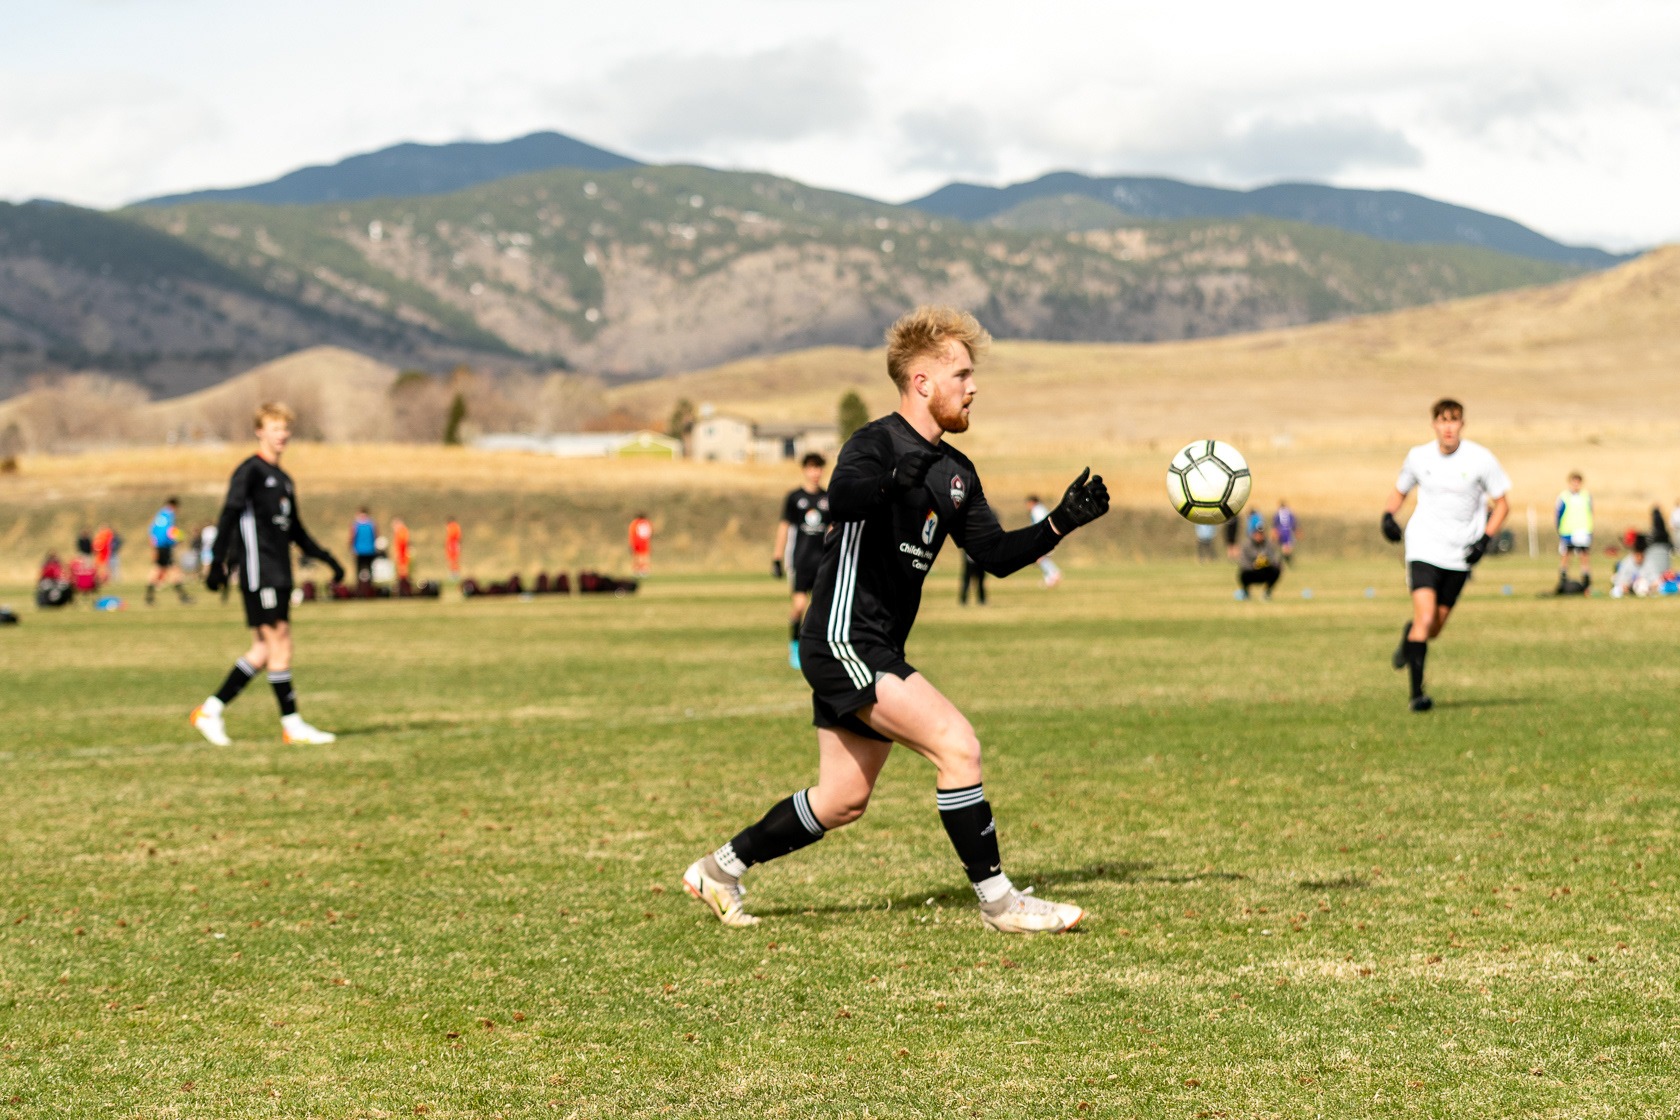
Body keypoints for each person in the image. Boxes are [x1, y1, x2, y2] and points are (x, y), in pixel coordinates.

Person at [681, 304, 1111, 935]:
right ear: (922, 382)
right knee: (958, 746)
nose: (973, 387)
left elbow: (993, 556)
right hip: (843, 637)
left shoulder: (957, 473)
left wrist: (1060, 522)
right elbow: (843, 496)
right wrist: (890, 481)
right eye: (961, 375)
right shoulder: (875, 443)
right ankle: (1000, 903)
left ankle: (718, 870)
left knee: (842, 800)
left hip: (874, 643)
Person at [191, 402, 345, 747]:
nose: (282, 435)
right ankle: (292, 724)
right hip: (260, 571)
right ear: (259, 431)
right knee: (281, 643)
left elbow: (296, 530)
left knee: (263, 650)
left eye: (286, 428)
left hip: (280, 570)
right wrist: (217, 563)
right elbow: (229, 515)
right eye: (275, 428)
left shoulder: (285, 480)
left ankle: (210, 711)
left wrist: (327, 559)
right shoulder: (250, 471)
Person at [1381, 398, 1510, 713]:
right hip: (1423, 548)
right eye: (1442, 420)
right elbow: (1399, 491)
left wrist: (1484, 540)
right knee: (1425, 618)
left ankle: (1409, 639)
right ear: (1434, 424)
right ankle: (1417, 696)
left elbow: (1503, 504)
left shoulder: (1481, 459)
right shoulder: (1418, 456)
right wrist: (1387, 516)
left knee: (1433, 628)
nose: (1448, 427)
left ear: (1462, 424)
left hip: (1460, 554)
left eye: (1453, 420)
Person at [772, 453, 830, 669]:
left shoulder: (828, 498)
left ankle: (818, 649)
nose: (815, 472)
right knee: (799, 605)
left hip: (822, 563)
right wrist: (777, 558)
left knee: (822, 609)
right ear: (805, 470)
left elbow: (833, 529)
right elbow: (784, 527)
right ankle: (795, 645)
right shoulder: (795, 498)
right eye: (812, 468)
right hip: (800, 561)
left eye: (819, 468)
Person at [146, 498, 193, 605]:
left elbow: (152, 531)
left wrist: (154, 547)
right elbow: (170, 531)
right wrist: (178, 538)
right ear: (174, 506)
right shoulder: (169, 515)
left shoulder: (159, 515)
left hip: (159, 546)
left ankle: (149, 597)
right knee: (174, 571)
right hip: (165, 547)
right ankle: (183, 597)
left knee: (158, 570)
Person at [1555, 472, 1593, 593]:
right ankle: (1563, 579)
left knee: (1584, 556)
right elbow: (1558, 514)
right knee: (1566, 555)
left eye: (1578, 482)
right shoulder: (1564, 496)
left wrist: (1590, 530)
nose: (1576, 484)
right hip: (1568, 531)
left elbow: (1590, 512)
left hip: (1583, 530)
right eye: (1574, 482)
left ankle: (1586, 580)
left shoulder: (1586, 496)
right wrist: (1559, 528)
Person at [1237, 524, 1283, 599]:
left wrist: (1267, 562)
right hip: (1252, 572)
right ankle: (1246, 592)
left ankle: (1267, 592)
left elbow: (1275, 558)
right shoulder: (1246, 544)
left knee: (1276, 570)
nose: (1259, 536)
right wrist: (1254, 565)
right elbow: (1243, 562)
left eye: (1261, 534)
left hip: (1265, 571)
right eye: (1257, 533)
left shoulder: (1269, 544)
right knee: (1243, 573)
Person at [1026, 495, 1061, 587]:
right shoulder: (1041, 508)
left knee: (1039, 557)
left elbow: (1040, 524)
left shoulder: (1036, 510)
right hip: (1048, 534)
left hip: (1043, 535)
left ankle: (1053, 575)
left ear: (1032, 502)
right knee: (1041, 557)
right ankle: (1052, 575)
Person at [349, 508, 378, 585]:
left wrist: (351, 547)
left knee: (361, 569)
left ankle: (362, 586)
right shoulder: (372, 524)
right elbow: (376, 536)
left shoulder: (356, 525)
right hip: (368, 550)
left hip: (362, 550)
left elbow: (352, 537)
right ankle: (368, 585)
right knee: (368, 569)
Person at [1273, 500, 1298, 564]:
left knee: (1284, 547)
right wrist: (1295, 531)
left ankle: (1284, 561)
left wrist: (1275, 533)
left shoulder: (1277, 513)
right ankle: (1287, 561)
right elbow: (1293, 523)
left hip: (1281, 531)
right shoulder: (1289, 512)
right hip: (1288, 531)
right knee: (1288, 547)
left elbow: (1275, 524)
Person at [629, 513, 652, 577]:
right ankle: (644, 571)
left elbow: (632, 533)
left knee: (636, 557)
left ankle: (636, 571)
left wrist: (631, 543)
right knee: (644, 557)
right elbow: (650, 533)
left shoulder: (635, 523)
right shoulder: (647, 523)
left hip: (637, 542)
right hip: (645, 543)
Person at [392, 518, 411, 583]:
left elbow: (403, 543)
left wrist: (399, 553)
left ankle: (403, 582)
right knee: (400, 569)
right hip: (401, 553)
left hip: (402, 554)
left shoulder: (402, 531)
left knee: (403, 569)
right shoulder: (400, 531)